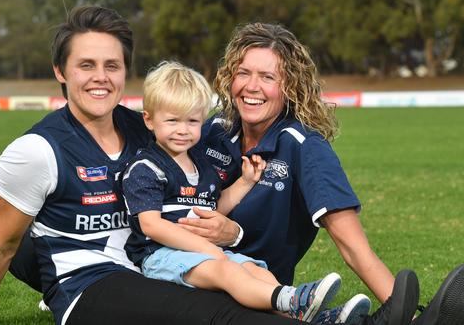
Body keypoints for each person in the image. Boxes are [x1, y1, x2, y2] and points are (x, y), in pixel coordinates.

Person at [0, 6, 420, 325]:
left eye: (111, 66)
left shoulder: (150, 129)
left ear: (126, 75)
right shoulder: (36, 151)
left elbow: (207, 179)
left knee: (225, 288)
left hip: (142, 264)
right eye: (85, 66)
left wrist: (231, 229)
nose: (100, 78)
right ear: (60, 72)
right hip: (96, 280)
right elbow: (4, 244)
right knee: (213, 306)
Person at [177, 22, 464, 325]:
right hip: (184, 271)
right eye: (243, 73)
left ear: (290, 87)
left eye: (268, 77)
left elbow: (351, 244)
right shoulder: (211, 131)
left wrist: (398, 305)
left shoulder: (304, 146)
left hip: (260, 293)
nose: (251, 86)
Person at [121, 61, 371, 324]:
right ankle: (293, 301)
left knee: (255, 270)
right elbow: (151, 226)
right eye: (172, 121)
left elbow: (212, 210)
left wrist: (246, 182)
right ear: (149, 120)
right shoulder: (146, 167)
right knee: (228, 272)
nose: (183, 130)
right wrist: (206, 248)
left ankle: (311, 315)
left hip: (201, 254)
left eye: (192, 121)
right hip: (160, 256)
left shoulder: (200, 165)